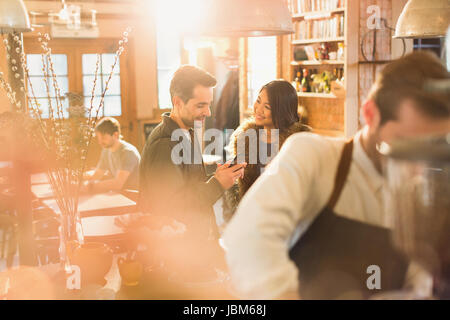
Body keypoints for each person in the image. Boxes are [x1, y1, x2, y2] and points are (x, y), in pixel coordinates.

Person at [222, 51, 450, 300]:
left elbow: (417, 284)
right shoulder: (312, 156)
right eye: (406, 142)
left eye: (433, 145)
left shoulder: (420, 199)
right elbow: (248, 240)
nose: (419, 164)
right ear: (371, 114)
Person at [139, 65, 246, 280]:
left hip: (195, 249)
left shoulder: (186, 133)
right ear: (178, 102)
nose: (208, 112)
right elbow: (174, 205)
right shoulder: (164, 144)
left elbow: (188, 186)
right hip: (177, 259)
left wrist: (217, 177)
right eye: (201, 105)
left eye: (208, 104)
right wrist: (217, 184)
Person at [223, 80, 310, 217]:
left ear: (282, 111)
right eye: (258, 101)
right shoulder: (247, 139)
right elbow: (235, 188)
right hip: (252, 219)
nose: (258, 109)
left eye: (267, 107)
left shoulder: (298, 144)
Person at [83, 117, 141, 193]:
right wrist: (80, 181)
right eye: (99, 138)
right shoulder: (106, 150)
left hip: (134, 196)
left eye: (103, 137)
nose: (100, 142)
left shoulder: (128, 152)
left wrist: (91, 185)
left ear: (115, 135)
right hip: (120, 194)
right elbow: (98, 174)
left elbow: (118, 184)